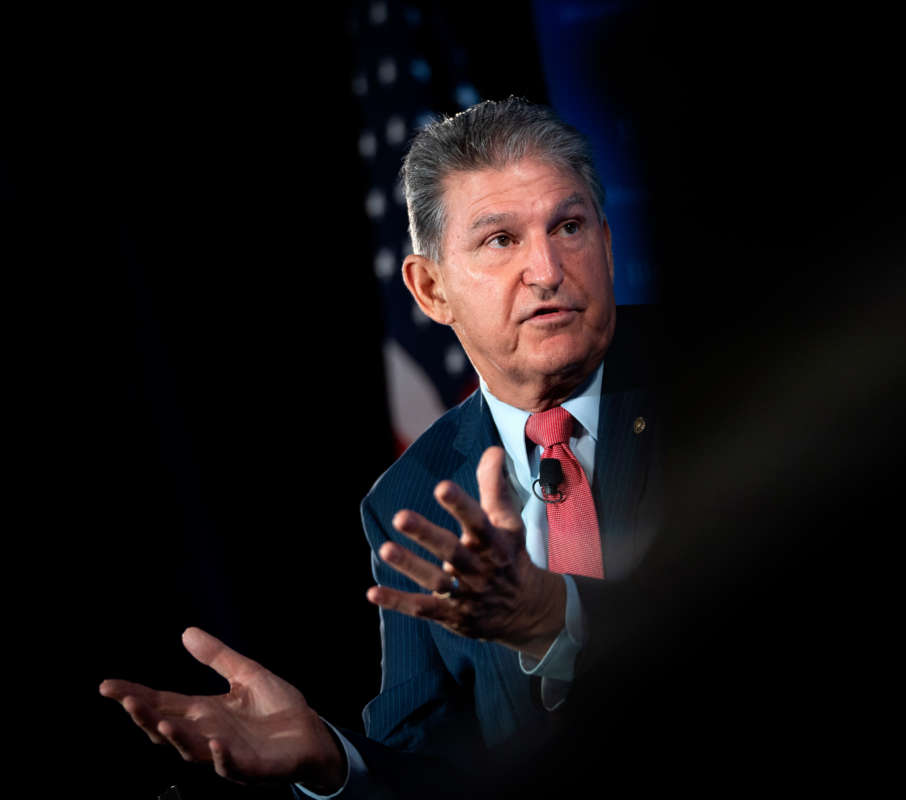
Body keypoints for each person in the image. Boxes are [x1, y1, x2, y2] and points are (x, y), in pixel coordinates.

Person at [99, 97, 662, 797]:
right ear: (431, 290)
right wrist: (335, 760)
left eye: (568, 226)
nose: (546, 269)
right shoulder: (410, 495)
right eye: (499, 240)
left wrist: (556, 618)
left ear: (607, 244)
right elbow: (435, 764)